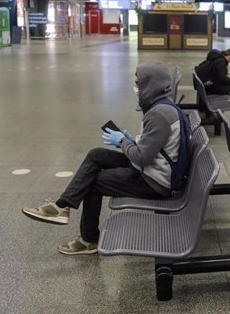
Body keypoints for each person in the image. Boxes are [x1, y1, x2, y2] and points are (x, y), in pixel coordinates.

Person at [22, 61, 187, 255]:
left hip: (155, 181)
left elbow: (142, 157)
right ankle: (62, 206)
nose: (136, 88)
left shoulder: (159, 114)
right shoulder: (162, 107)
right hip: (152, 168)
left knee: (94, 183)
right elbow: (155, 148)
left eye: (139, 83)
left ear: (151, 85)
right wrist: (131, 140)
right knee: (96, 155)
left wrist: (122, 143)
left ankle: (88, 239)